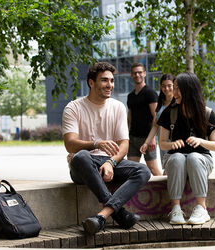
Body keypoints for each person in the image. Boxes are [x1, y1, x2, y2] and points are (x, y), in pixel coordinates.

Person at [62, 61, 151, 235]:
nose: (109, 85)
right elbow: (69, 143)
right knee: (80, 156)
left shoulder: (117, 107)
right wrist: (96, 143)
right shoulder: (73, 108)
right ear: (91, 82)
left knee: (143, 171)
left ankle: (102, 216)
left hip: (110, 163)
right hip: (83, 165)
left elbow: (123, 144)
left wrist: (111, 162)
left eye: (111, 80)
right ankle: (120, 214)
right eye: (104, 80)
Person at [157, 72, 215, 225]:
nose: (174, 92)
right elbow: (162, 143)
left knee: (193, 156)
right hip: (174, 159)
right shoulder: (169, 112)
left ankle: (201, 208)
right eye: (174, 88)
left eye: (178, 89)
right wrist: (172, 145)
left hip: (201, 159)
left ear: (189, 90)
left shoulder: (207, 113)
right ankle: (176, 209)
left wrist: (200, 141)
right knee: (178, 157)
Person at [127, 62, 161, 175]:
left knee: (153, 169)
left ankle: (165, 191)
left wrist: (152, 139)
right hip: (133, 138)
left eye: (140, 72)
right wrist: (126, 135)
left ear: (144, 73)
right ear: (131, 75)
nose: (137, 75)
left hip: (147, 138)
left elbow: (156, 117)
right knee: (131, 170)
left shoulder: (150, 93)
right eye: (135, 73)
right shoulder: (130, 96)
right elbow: (129, 117)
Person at [140, 73, 175, 171]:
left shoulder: (178, 103)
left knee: (173, 170)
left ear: (174, 86)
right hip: (163, 144)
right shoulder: (160, 103)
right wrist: (146, 143)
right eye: (163, 86)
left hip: (175, 145)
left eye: (169, 86)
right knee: (167, 171)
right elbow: (155, 126)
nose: (166, 89)